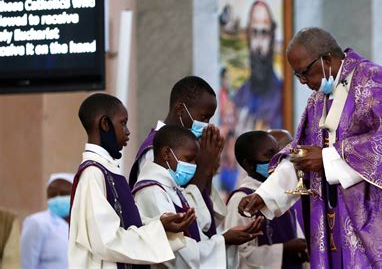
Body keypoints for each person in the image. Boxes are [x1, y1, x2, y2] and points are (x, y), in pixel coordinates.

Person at [239, 27, 382, 268]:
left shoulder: (378, 81)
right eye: (296, 75)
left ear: (327, 60)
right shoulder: (318, 99)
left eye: (304, 72)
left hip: (375, 217)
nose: (302, 82)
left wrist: (328, 158)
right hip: (332, 219)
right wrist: (266, 195)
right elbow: (302, 152)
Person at [69, 93, 195, 268]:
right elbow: (106, 240)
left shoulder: (108, 170)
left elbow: (125, 223)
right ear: (105, 124)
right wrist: (157, 231)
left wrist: (160, 225)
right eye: (122, 123)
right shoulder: (92, 173)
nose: (128, 131)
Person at [133, 125, 263, 268]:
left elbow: (196, 234)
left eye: (195, 161)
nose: (194, 166)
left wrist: (227, 238)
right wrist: (224, 240)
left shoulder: (170, 187)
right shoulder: (152, 192)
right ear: (166, 154)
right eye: (189, 159)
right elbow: (176, 252)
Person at [129, 76, 227, 241]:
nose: (207, 124)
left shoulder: (189, 146)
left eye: (210, 119)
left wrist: (208, 166)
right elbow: (170, 209)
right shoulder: (154, 151)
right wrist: (203, 167)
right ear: (180, 110)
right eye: (203, 117)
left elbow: (203, 209)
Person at [225, 131, 307, 269]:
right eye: (269, 155)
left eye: (278, 153)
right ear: (249, 164)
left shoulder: (282, 193)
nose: (277, 159)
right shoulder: (241, 198)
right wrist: (284, 249)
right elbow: (240, 254)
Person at [234, 0, 283, 132]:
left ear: (272, 37)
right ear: (248, 38)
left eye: (264, 33)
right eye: (254, 33)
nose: (259, 45)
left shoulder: (282, 95)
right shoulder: (240, 96)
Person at [21, 173, 74, 269]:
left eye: (63, 193)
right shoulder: (36, 223)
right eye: (52, 195)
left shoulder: (82, 225)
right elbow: (27, 263)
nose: (58, 198)